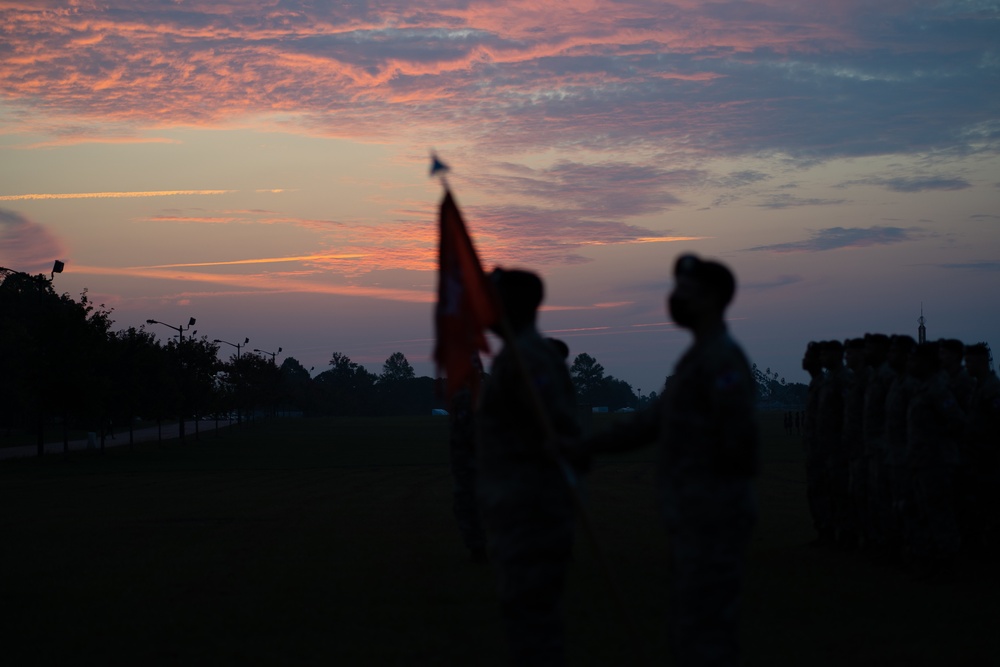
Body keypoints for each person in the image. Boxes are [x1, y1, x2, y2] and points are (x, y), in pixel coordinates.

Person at [573, 253, 758, 667]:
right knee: (690, 624)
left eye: (686, 292)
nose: (676, 299)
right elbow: (650, 423)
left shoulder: (721, 362)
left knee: (708, 630)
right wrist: (588, 447)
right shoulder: (697, 360)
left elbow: (738, 445)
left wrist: (709, 503)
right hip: (694, 514)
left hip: (713, 513)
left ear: (712, 299)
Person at [475, 268, 584, 667]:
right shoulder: (515, 358)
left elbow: (560, 431)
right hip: (518, 509)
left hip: (534, 512)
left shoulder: (531, 360)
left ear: (515, 306)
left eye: (495, 298)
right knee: (522, 619)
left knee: (534, 625)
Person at [448, 353, 488, 563]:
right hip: (474, 462)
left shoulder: (468, 396)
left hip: (473, 463)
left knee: (470, 506)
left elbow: (468, 432)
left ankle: (479, 549)